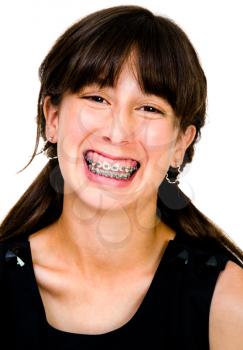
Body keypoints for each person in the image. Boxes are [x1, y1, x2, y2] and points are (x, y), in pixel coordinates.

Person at [0, 5, 243, 349]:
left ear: (181, 143)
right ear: (52, 117)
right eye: (97, 98)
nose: (118, 132)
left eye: (149, 108)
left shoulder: (230, 302)